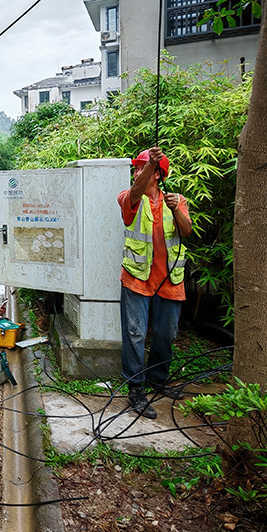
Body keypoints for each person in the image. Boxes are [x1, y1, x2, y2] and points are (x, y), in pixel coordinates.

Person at [118, 146, 192, 419]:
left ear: (159, 175)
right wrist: (151, 163)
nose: (137, 172)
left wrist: (176, 211)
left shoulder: (177, 200)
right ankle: (135, 387)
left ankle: (158, 379)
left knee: (166, 333)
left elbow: (186, 230)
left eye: (142, 168)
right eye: (137, 168)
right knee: (135, 333)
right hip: (137, 277)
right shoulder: (129, 198)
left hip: (171, 280)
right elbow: (136, 190)